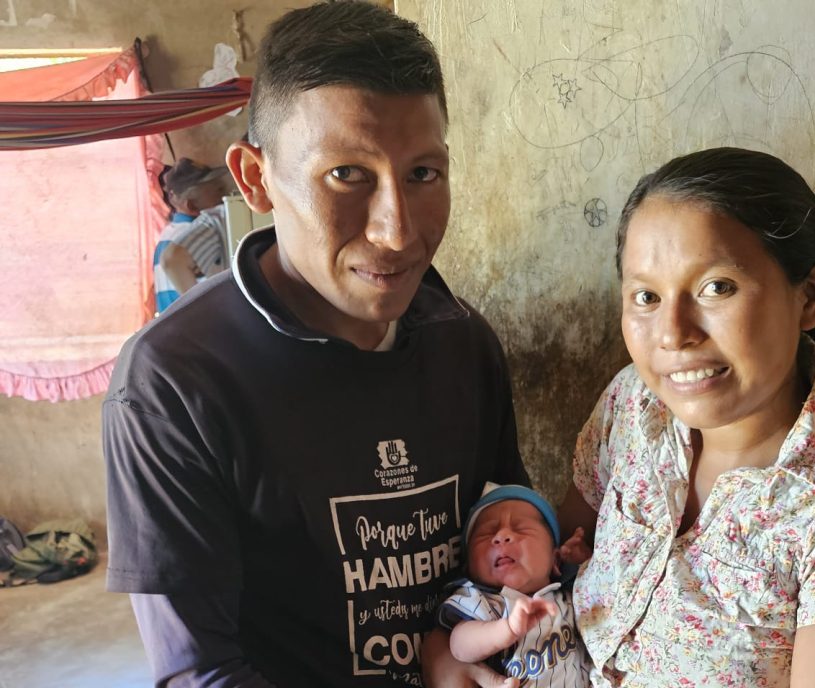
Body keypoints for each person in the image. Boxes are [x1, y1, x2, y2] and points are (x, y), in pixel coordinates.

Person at [103, 2, 529, 686]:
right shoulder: (177, 381)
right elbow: (200, 673)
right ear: (255, 178)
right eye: (347, 174)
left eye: (423, 174)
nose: (397, 231)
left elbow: (508, 550)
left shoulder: (463, 344)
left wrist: (466, 647)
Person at [558, 147, 815, 687]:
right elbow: (554, 558)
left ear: (811, 295)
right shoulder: (634, 406)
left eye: (717, 288)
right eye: (646, 296)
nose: (673, 334)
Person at [436, 484, 591, 688]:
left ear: (555, 560)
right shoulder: (481, 601)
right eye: (485, 533)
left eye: (521, 528)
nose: (501, 535)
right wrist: (506, 628)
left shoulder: (568, 595)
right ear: (469, 567)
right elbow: (458, 646)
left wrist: (586, 562)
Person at [152, 157, 230, 313]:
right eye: (218, 192)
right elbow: (172, 261)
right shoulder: (199, 232)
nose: (225, 196)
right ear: (192, 205)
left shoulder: (167, 234)